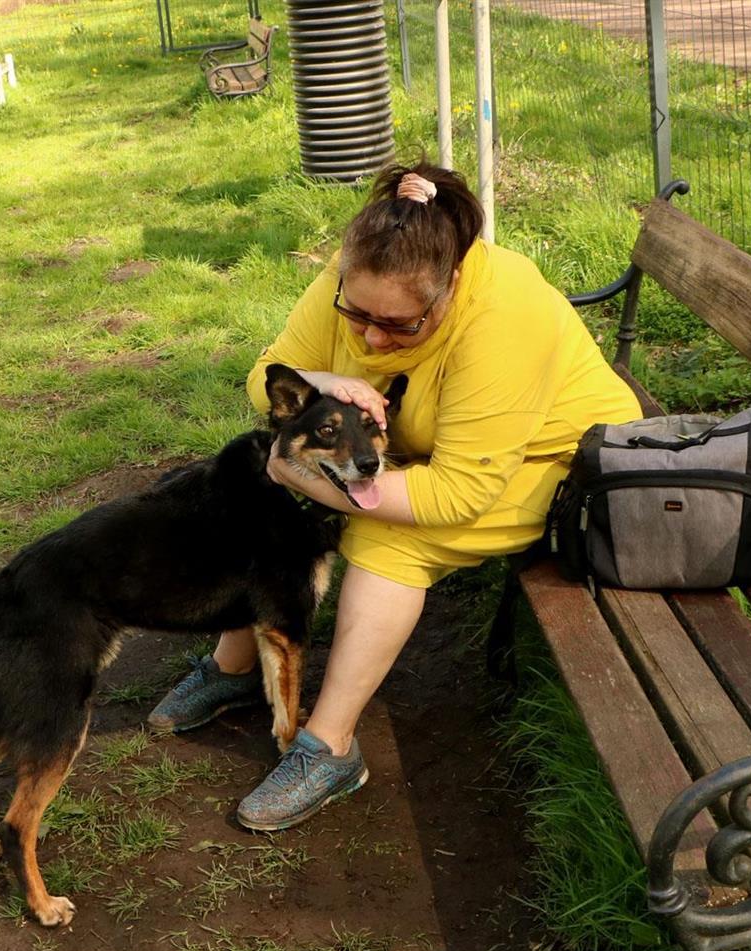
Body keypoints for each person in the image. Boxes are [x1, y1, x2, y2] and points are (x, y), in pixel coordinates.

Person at [147, 160, 642, 831]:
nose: (373, 338)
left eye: (400, 327)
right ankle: (237, 666)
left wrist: (308, 478)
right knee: (274, 498)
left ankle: (331, 747)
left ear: (450, 287)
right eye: (357, 316)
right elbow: (267, 374)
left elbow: (458, 493)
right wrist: (318, 376)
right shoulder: (360, 271)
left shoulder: (505, 315)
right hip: (435, 447)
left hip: (555, 463)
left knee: (383, 535)